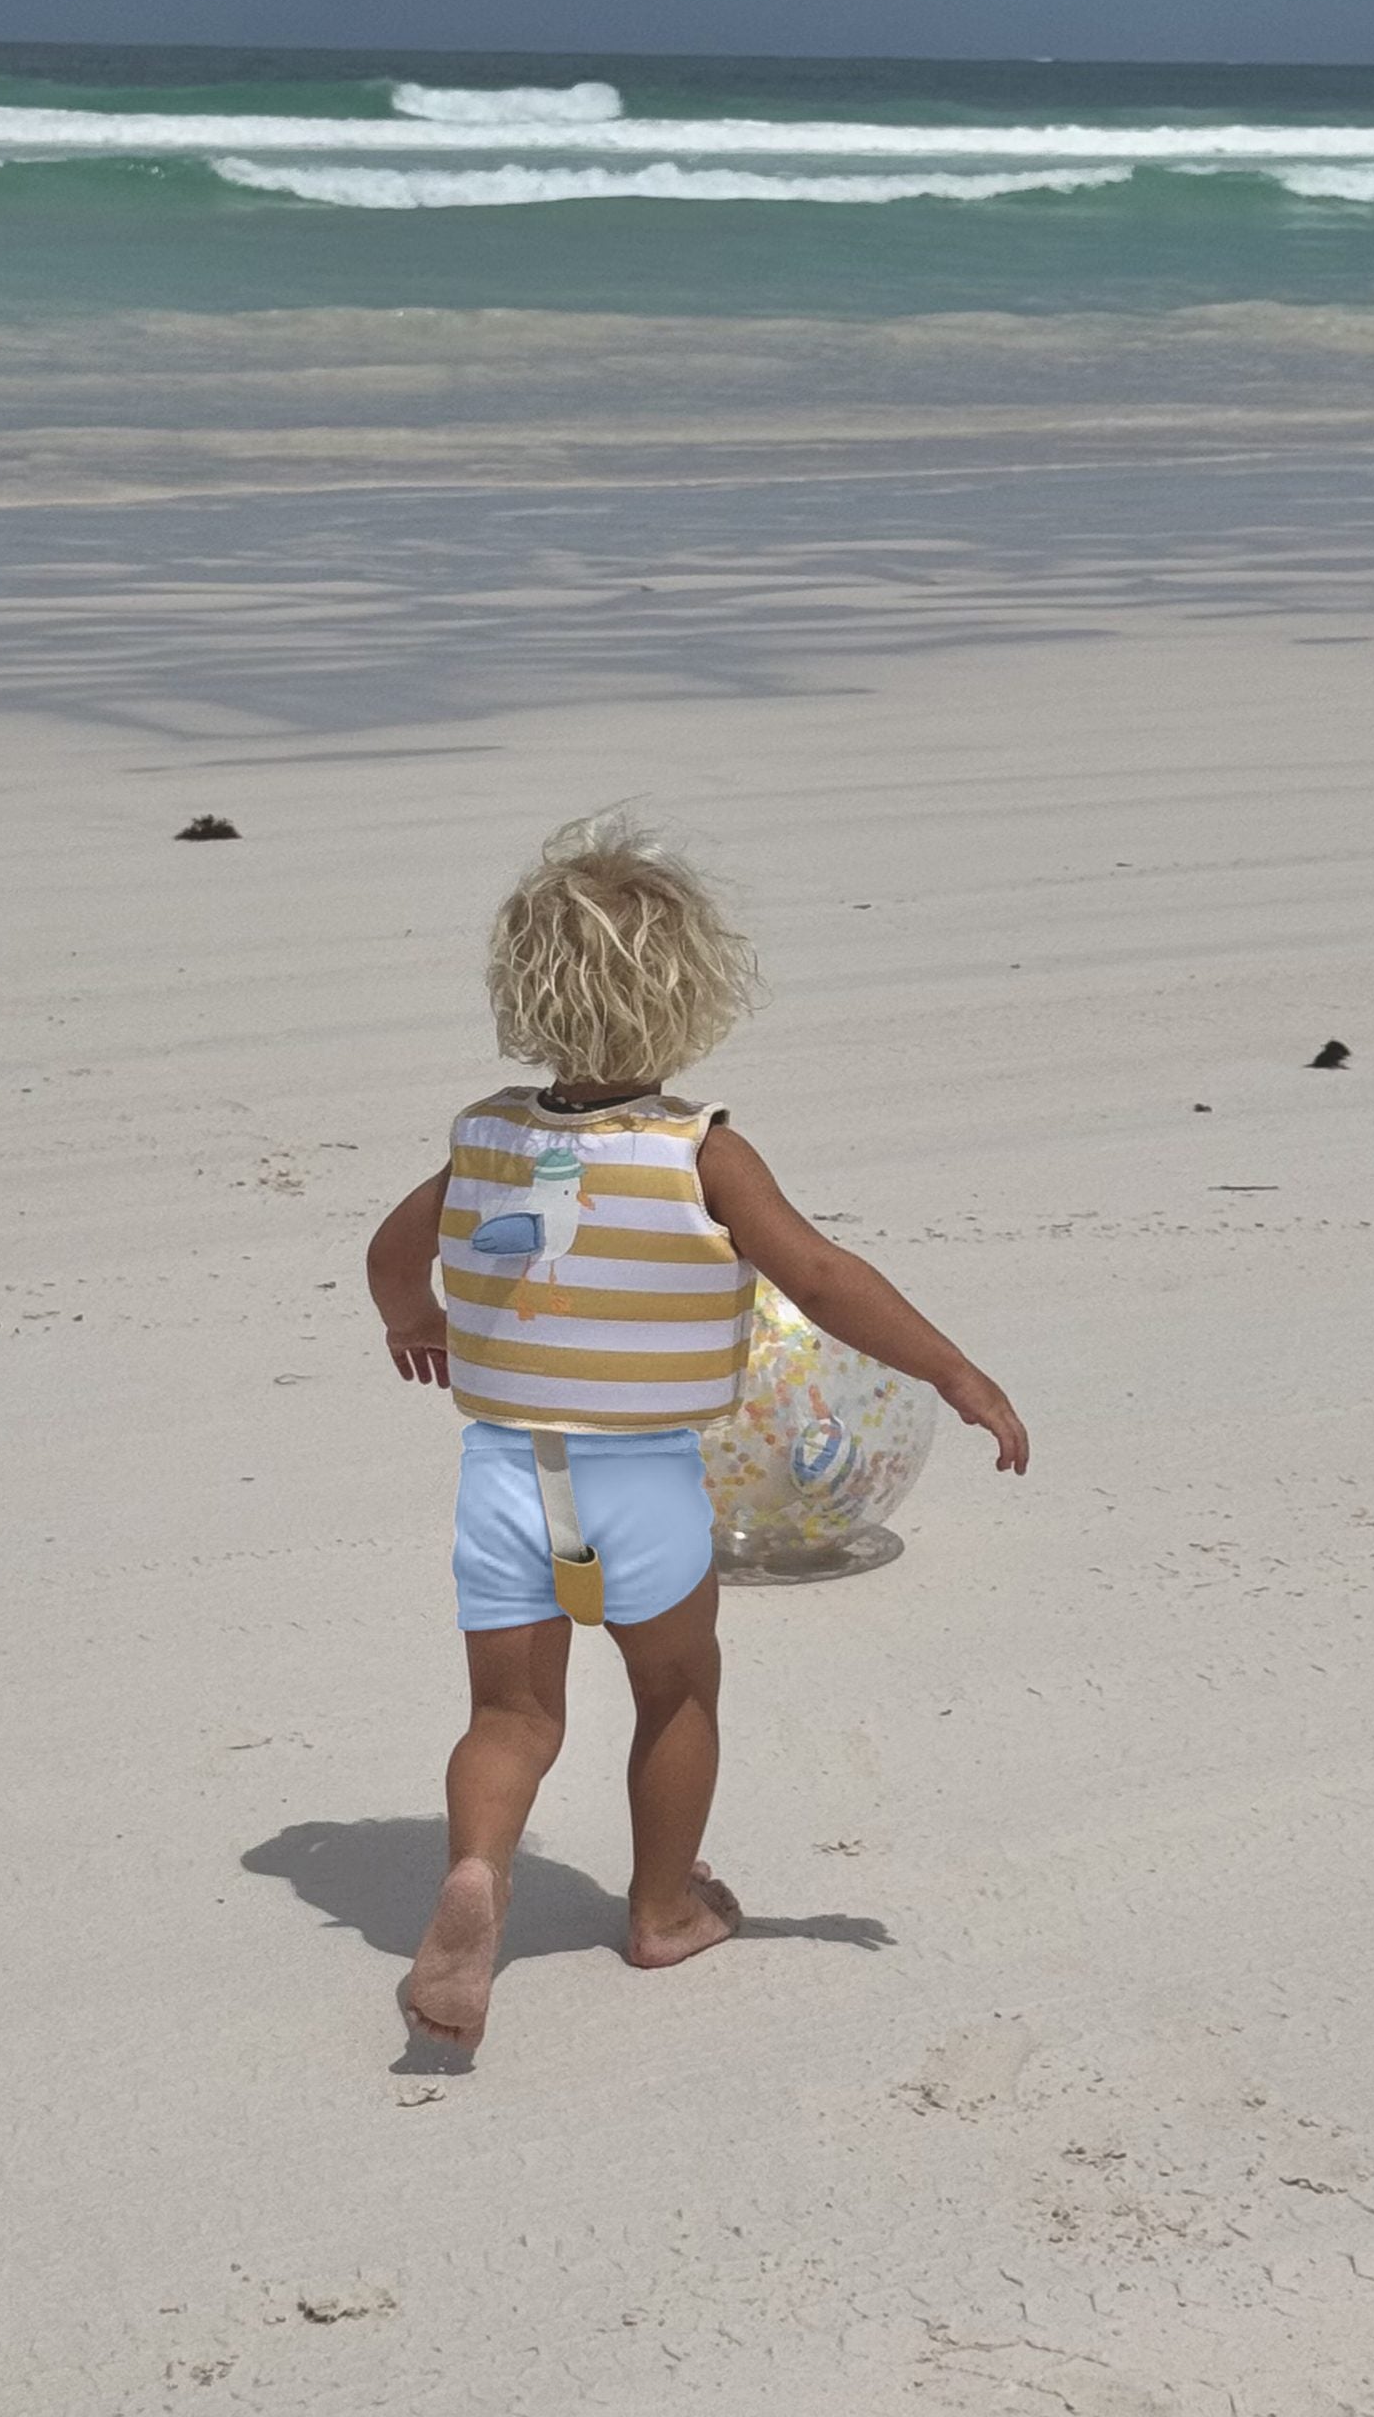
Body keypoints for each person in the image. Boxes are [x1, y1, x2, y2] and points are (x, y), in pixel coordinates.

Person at [363, 811, 1029, 2048]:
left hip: (508, 1470)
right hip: (642, 1477)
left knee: (511, 1717)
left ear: (524, 990)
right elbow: (820, 1277)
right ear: (692, 995)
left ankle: (476, 1873)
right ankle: (664, 1910)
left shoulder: (485, 1136)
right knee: (674, 1688)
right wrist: (953, 1371)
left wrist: (416, 1318)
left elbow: (393, 1252)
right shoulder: (699, 1153)